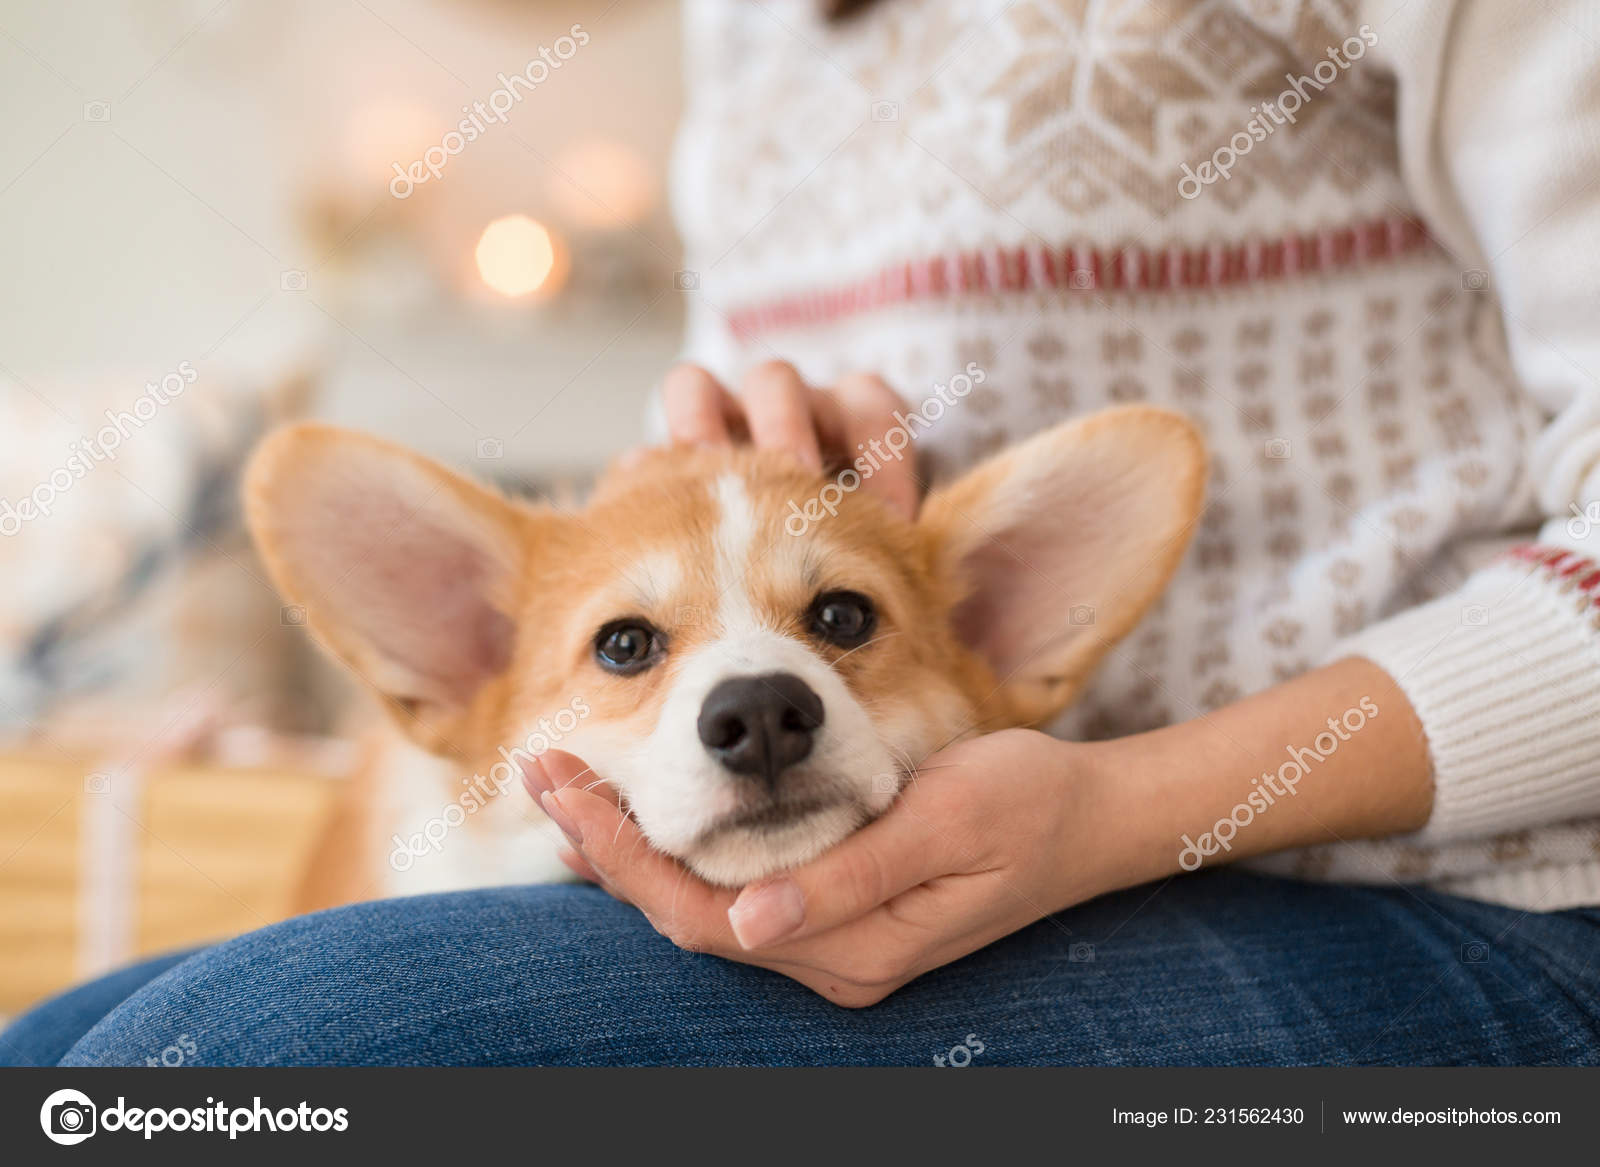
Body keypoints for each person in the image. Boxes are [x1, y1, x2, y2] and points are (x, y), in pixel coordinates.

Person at [7, 0, 1600, 1066]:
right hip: (956, 883)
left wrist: (1117, 810)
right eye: (630, 651)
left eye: (835, 631)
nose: (760, 691)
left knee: (223, 1066)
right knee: (46, 1067)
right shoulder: (754, 20)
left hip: (1489, 912)